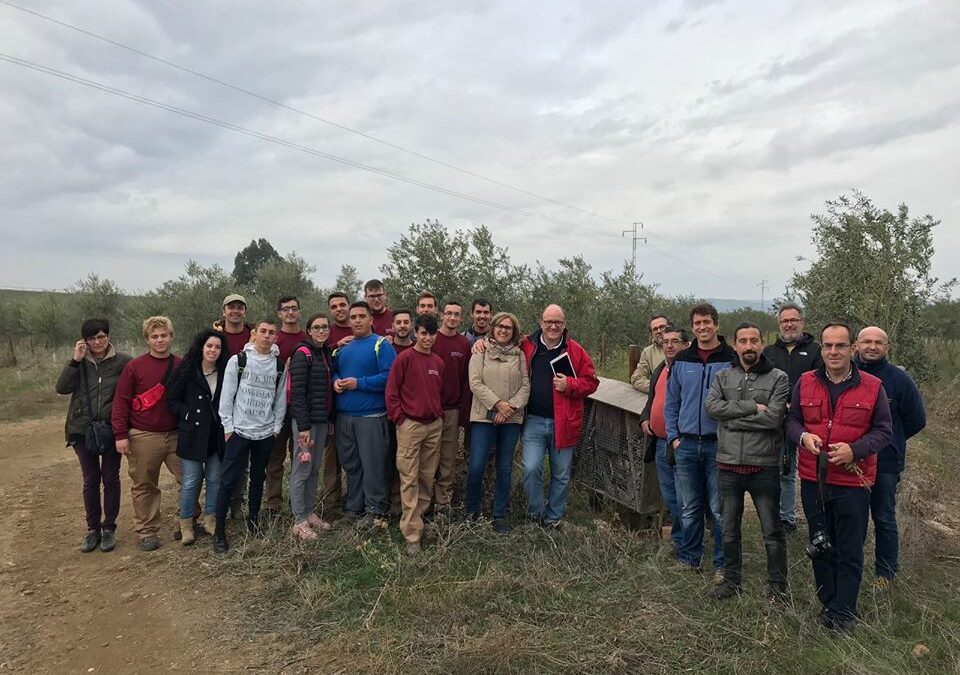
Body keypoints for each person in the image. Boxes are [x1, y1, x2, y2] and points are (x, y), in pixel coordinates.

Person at [786, 322, 892, 632]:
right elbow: (791, 420)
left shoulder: (873, 386)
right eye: (828, 345)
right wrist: (803, 436)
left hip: (852, 483)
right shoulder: (806, 382)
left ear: (852, 348)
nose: (834, 351)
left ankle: (844, 611)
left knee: (849, 548)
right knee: (820, 544)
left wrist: (855, 450)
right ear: (821, 348)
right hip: (813, 480)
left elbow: (884, 431)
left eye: (841, 345)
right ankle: (828, 603)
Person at [705, 322, 790, 600]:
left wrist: (731, 421)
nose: (749, 346)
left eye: (754, 340)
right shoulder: (722, 376)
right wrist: (752, 407)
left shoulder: (778, 378)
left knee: (772, 531)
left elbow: (774, 418)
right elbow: (712, 407)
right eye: (743, 341)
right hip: (728, 465)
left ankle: (777, 587)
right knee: (729, 530)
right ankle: (731, 582)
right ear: (735, 345)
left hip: (763, 465)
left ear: (762, 343)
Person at [664, 303, 735, 581]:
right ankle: (689, 558)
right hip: (687, 445)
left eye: (707, 322)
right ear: (692, 327)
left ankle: (722, 563)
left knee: (719, 509)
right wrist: (674, 437)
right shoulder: (683, 359)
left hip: (719, 445)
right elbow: (672, 402)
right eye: (697, 323)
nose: (702, 327)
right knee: (690, 507)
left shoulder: (731, 358)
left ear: (716, 324)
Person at [854, 326, 926, 587]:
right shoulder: (845, 374)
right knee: (852, 517)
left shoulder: (899, 379)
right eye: (867, 342)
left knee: (883, 517)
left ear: (887, 347)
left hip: (885, 462)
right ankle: (850, 567)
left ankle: (885, 573)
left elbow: (916, 419)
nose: (872, 347)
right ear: (856, 346)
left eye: (878, 342)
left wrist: (891, 441)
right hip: (850, 462)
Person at [518, 304, 598, 528]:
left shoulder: (575, 350)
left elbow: (592, 382)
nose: (553, 326)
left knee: (561, 474)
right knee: (531, 468)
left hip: (564, 421)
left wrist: (569, 385)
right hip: (533, 420)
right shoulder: (527, 345)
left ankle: (553, 518)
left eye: (558, 322)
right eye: (549, 322)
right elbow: (501, 341)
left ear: (564, 324)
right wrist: (483, 342)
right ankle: (535, 514)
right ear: (541, 322)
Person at [56, 318, 132, 553]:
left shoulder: (123, 362)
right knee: (90, 479)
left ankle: (109, 528)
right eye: (92, 338)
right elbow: (62, 388)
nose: (97, 342)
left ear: (108, 336)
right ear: (85, 341)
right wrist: (75, 360)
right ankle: (92, 530)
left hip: (111, 428)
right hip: (82, 429)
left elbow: (133, 390)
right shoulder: (79, 363)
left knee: (110, 478)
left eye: (101, 336)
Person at [214, 321, 288, 553]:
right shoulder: (238, 360)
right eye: (262, 331)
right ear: (254, 334)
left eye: (271, 333)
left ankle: (253, 523)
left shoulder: (279, 365)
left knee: (258, 479)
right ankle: (219, 531)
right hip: (238, 431)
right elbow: (226, 396)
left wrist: (276, 428)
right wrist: (228, 427)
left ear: (276, 337)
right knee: (228, 481)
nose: (266, 336)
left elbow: (280, 399)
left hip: (265, 433)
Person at [112, 316, 183, 552]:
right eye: (155, 336)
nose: (159, 340)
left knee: (189, 479)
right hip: (144, 435)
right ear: (147, 339)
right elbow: (121, 401)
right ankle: (147, 531)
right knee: (144, 484)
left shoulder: (181, 364)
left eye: (164, 335)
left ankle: (186, 522)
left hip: (176, 434)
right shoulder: (135, 367)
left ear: (171, 337)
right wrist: (120, 434)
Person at [332, 301, 397, 529]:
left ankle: (375, 510)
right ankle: (354, 508)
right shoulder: (343, 348)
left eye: (361, 316)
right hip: (344, 416)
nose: (357, 321)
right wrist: (335, 382)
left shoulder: (381, 345)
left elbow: (390, 376)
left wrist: (359, 383)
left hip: (372, 416)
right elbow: (334, 370)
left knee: (373, 465)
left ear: (371, 319)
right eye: (353, 317)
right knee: (351, 465)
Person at [385, 314, 445, 556]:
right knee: (409, 477)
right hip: (410, 425)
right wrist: (400, 419)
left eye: (431, 334)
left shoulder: (438, 362)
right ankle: (411, 534)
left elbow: (438, 392)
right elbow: (391, 392)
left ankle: (419, 519)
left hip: (433, 425)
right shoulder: (404, 359)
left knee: (426, 477)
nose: (427, 338)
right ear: (416, 333)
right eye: (423, 333)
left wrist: (438, 415)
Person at [466, 312, 530, 533]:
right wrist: (497, 405)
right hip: (483, 416)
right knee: (477, 466)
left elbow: (525, 386)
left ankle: (499, 515)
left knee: (504, 467)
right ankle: (471, 513)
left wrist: (509, 407)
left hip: (511, 418)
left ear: (514, 332)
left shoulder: (519, 355)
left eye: (508, 327)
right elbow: (475, 383)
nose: (503, 330)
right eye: (500, 326)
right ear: (492, 328)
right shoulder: (480, 351)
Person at [763, 302, 822, 534]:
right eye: (784, 321)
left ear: (802, 322)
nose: (789, 324)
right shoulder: (769, 352)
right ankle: (783, 518)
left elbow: (819, 381)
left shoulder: (816, 350)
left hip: (808, 420)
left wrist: (796, 403)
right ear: (779, 324)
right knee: (782, 470)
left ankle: (816, 519)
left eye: (793, 320)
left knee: (811, 472)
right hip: (776, 419)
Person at [166, 330, 227, 545]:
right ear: (201, 347)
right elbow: (172, 399)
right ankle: (186, 525)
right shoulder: (187, 371)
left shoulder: (225, 371)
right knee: (191, 481)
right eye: (209, 346)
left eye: (217, 347)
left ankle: (211, 520)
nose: (213, 350)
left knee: (214, 479)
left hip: (215, 434)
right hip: (192, 433)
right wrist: (188, 414)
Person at [638, 326, 689, 554]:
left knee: (684, 496)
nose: (669, 345)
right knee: (670, 496)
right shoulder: (660, 369)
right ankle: (679, 538)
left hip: (680, 443)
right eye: (666, 341)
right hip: (660, 442)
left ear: (686, 345)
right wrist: (645, 418)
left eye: (675, 341)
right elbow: (652, 400)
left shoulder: (689, 371)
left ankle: (688, 542)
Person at [287, 313, 336, 540]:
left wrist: (329, 419)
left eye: (324, 327)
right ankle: (298, 520)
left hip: (320, 420)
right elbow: (297, 394)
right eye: (316, 327)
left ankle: (309, 511)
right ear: (309, 331)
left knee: (314, 468)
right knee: (301, 469)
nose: (321, 331)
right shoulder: (302, 353)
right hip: (305, 423)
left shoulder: (324, 353)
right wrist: (304, 426)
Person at [264, 295, 309, 514]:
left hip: (300, 407)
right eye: (285, 309)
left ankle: (297, 502)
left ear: (300, 312)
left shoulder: (307, 338)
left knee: (300, 457)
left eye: (294, 308)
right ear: (279, 314)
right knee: (275, 458)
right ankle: (273, 503)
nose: (290, 312)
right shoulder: (274, 339)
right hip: (276, 408)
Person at [429, 301, 471, 515]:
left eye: (457, 314)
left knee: (447, 459)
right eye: (449, 313)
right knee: (428, 458)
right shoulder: (431, 339)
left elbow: (466, 381)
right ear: (441, 315)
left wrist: (463, 412)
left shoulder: (464, 344)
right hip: (428, 411)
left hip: (451, 410)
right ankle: (424, 503)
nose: (452, 318)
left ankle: (442, 504)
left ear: (461, 318)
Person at [630, 315, 670, 394]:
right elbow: (637, 378)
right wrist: (658, 387)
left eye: (662, 327)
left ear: (670, 328)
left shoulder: (687, 347)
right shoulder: (648, 352)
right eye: (655, 329)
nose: (659, 331)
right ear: (652, 333)